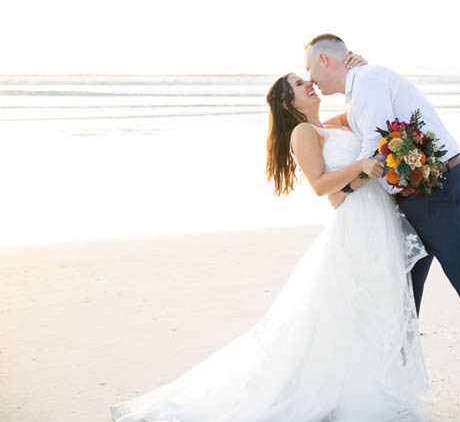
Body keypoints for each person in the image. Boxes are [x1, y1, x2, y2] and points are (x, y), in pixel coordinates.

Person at [109, 54, 434, 421]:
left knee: (377, 306)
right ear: (287, 103)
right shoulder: (303, 133)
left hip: (377, 222)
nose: (309, 83)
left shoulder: (338, 123)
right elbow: (320, 186)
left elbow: (371, 116)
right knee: (353, 308)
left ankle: (377, 383)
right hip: (356, 228)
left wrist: (360, 68)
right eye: (299, 84)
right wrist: (358, 168)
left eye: (306, 79)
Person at [305, 34, 460, 422]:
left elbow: (374, 152)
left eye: (310, 68)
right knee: (400, 300)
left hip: (442, 190)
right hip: (410, 201)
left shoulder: (370, 80)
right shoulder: (359, 94)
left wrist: (341, 192)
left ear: (325, 60)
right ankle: (391, 389)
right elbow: (341, 132)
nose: (310, 78)